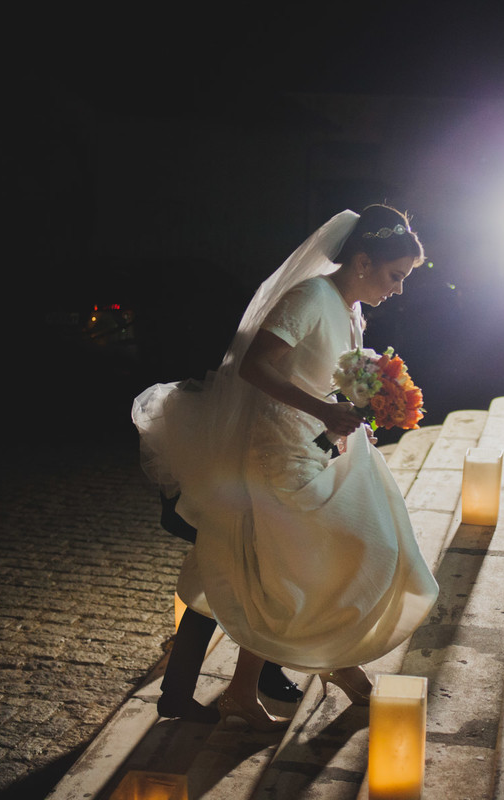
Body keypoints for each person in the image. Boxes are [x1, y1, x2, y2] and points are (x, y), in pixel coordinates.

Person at [133, 205, 439, 730]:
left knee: (296, 566)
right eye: (395, 275)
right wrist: (323, 409)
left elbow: (319, 373)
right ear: (362, 261)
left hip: (315, 448)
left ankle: (289, 675)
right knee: (303, 565)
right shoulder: (311, 297)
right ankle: (326, 666)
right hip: (277, 454)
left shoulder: (350, 309)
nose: (399, 289)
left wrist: (356, 408)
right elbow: (253, 366)